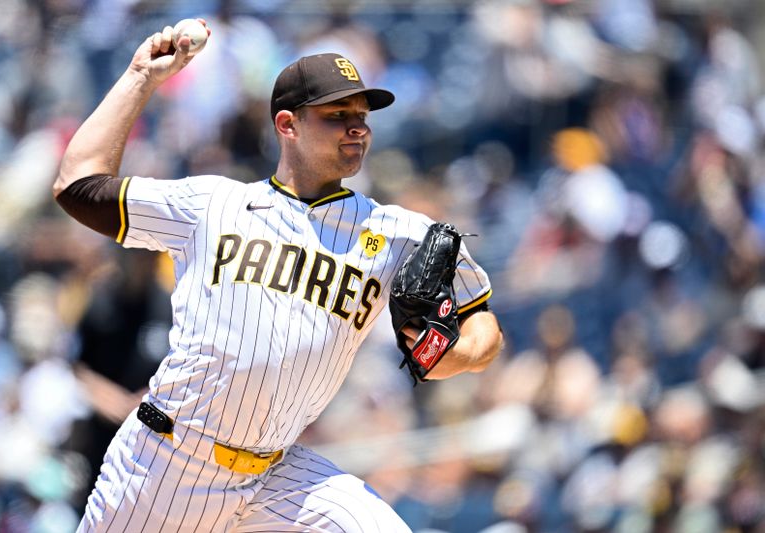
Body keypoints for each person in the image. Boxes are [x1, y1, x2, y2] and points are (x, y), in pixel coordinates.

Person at [54, 19, 503, 532]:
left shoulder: (399, 233)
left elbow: (482, 321)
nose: (358, 126)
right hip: (168, 463)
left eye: (362, 115)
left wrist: (461, 353)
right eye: (337, 115)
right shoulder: (211, 205)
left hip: (280, 474)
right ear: (287, 124)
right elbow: (77, 184)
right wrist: (141, 77)